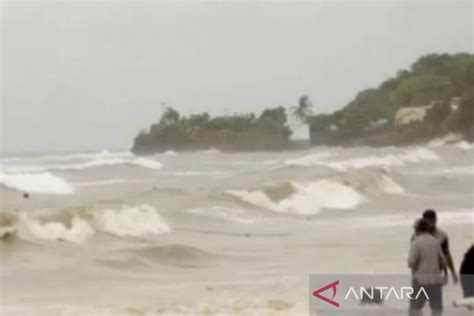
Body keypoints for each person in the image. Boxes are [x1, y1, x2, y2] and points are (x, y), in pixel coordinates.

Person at [408, 218, 447, 316]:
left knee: (414, 309)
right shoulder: (435, 242)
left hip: (420, 281)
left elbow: (411, 262)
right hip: (435, 281)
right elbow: (443, 261)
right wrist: (445, 275)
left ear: (417, 229)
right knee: (436, 309)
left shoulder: (416, 243)